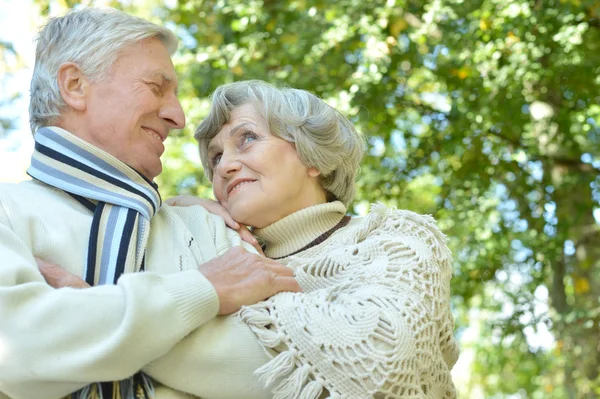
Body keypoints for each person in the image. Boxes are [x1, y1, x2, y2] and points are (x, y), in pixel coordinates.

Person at [45, 80, 461, 398]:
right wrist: (176, 212)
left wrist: (110, 323)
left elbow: (381, 356)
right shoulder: (209, 251)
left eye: (247, 139)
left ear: (310, 155)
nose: (226, 166)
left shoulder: (397, 237)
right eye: (216, 157)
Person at [0, 9, 301, 399]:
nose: (177, 117)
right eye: (157, 87)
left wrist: (87, 321)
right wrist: (203, 289)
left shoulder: (207, 226)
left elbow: (276, 373)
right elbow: (18, 350)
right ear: (74, 85)